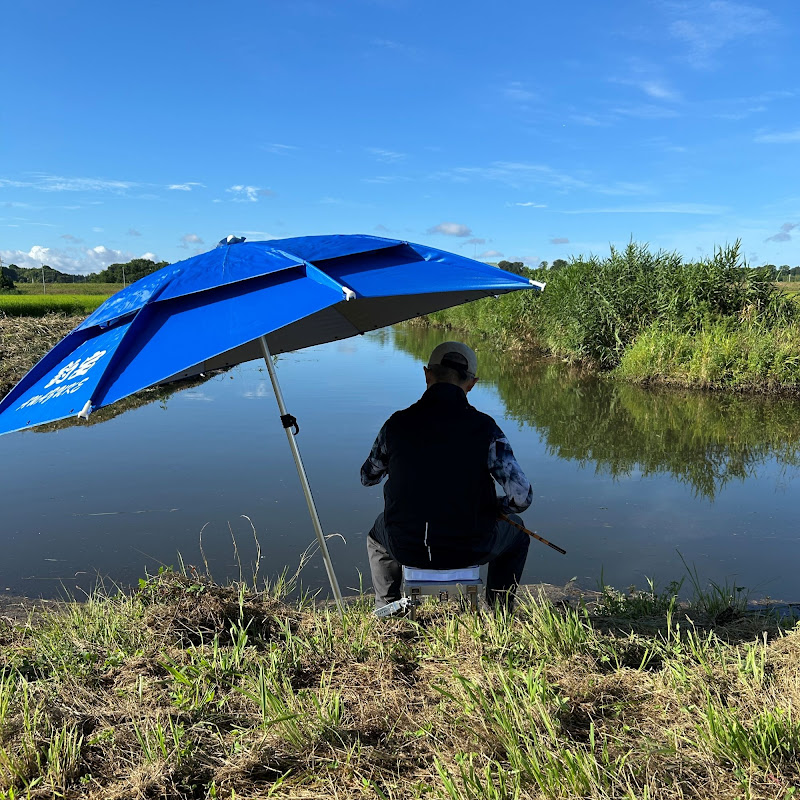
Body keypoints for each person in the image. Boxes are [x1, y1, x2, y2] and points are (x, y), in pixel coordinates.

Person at [360, 341, 533, 610]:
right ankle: (500, 613)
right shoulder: (486, 429)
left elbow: (368, 477)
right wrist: (495, 507)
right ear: (472, 384)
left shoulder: (396, 424)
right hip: (472, 546)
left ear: (428, 374)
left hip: (406, 546)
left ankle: (388, 610)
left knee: (376, 537)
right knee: (518, 532)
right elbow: (521, 497)